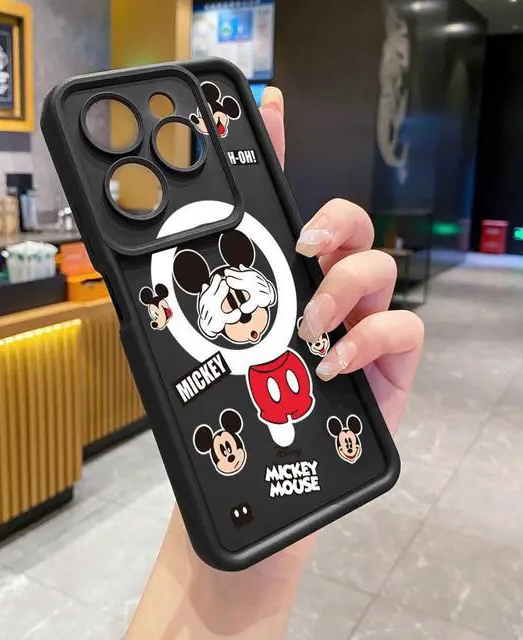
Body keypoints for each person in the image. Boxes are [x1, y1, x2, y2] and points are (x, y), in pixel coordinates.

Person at [126, 87, 425, 640]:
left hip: (306, 392)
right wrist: (232, 588)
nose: (245, 315)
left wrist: (249, 589)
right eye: (231, 312)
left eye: (248, 301)